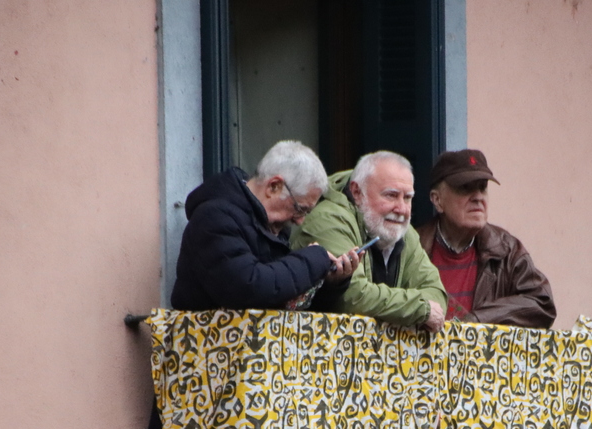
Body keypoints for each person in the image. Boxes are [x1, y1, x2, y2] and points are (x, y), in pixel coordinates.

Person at [170, 140, 359, 312]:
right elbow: (248, 288)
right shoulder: (214, 217)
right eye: (300, 209)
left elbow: (284, 303)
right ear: (273, 186)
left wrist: (331, 283)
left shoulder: (272, 227)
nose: (300, 221)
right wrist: (312, 260)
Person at [289, 151, 448, 333]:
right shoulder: (328, 219)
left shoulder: (401, 231)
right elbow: (353, 297)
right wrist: (420, 308)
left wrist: (416, 307)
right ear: (357, 192)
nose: (402, 209)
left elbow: (436, 295)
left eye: (407, 198)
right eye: (391, 195)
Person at [414, 149, 556, 328]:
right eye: (465, 188)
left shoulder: (506, 249)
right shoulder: (412, 248)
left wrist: (478, 320)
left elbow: (542, 303)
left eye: (482, 188)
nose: (478, 197)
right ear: (437, 200)